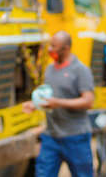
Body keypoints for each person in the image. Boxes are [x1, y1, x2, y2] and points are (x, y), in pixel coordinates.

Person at [23, 31, 94, 177]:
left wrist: (59, 103)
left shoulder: (80, 70)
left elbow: (88, 101)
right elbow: (50, 97)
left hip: (75, 137)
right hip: (51, 137)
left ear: (66, 48)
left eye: (54, 47)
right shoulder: (50, 70)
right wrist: (35, 104)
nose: (50, 50)